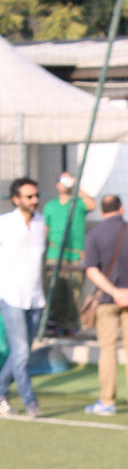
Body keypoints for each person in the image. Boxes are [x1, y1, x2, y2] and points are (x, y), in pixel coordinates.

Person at [82, 195, 128, 416]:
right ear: (122, 209)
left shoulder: (95, 234)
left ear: (102, 212)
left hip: (106, 301)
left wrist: (114, 292)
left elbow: (92, 270)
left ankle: (107, 401)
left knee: (108, 349)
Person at [0, 177, 46, 419]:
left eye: (36, 195)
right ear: (16, 199)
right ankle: (31, 402)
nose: (34, 200)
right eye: (29, 196)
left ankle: (0, 391)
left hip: (35, 298)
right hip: (11, 297)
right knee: (21, 354)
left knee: (22, 352)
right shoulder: (5, 223)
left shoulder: (40, 222)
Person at [42, 171, 96, 334]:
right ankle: (58, 324)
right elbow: (45, 230)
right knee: (56, 290)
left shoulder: (78, 203)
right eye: (63, 180)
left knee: (74, 290)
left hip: (75, 254)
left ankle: (72, 325)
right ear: (57, 184)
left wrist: (76, 185)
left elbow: (92, 205)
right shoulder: (50, 206)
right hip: (54, 254)